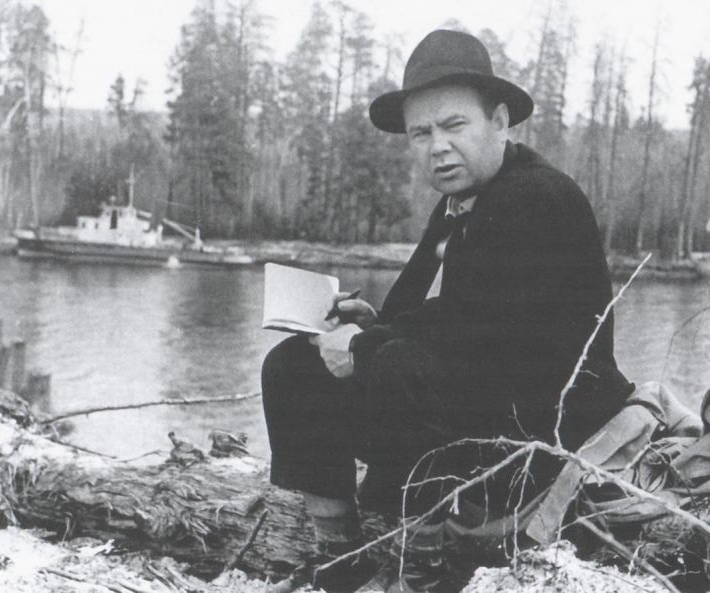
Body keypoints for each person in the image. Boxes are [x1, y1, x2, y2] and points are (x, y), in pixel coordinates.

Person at [262, 29, 634, 593]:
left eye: (454, 125)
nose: (437, 146)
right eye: (421, 133)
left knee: (400, 365)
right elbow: (440, 317)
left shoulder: (536, 196)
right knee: (294, 364)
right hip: (479, 406)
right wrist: (369, 325)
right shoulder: (460, 201)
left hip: (547, 431)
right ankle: (339, 557)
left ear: (499, 122)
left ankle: (423, 573)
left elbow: (477, 332)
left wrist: (364, 348)